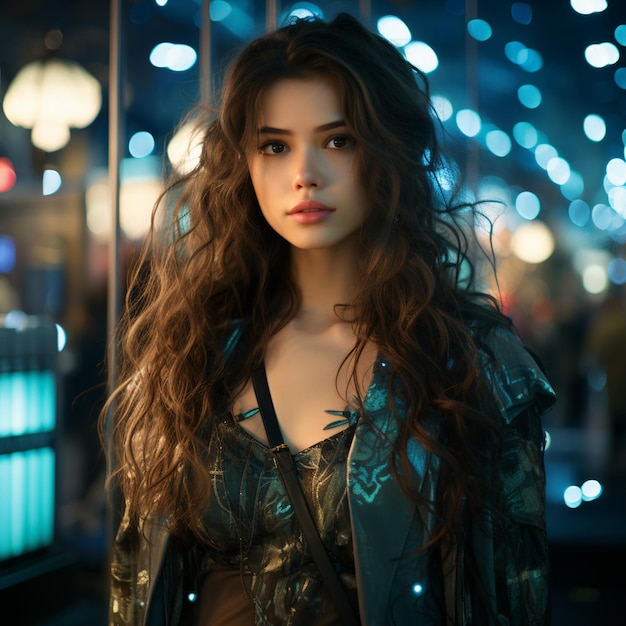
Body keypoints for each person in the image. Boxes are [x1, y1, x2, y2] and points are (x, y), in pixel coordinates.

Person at [101, 12, 556, 626]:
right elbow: (137, 580)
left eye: (338, 139)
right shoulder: (196, 353)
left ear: (388, 151)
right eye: (274, 145)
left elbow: (511, 599)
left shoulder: (470, 364)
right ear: (245, 163)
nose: (303, 174)